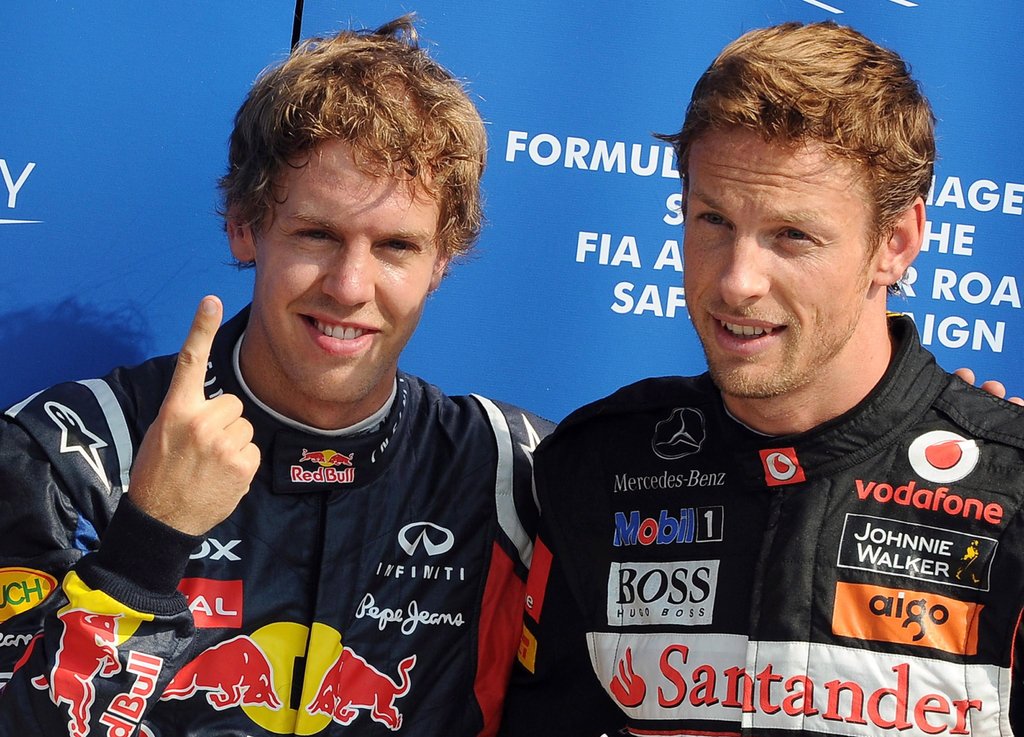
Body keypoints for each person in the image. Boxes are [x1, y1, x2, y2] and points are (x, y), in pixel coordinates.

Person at [0, 16, 550, 737]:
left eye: (396, 246)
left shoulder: (513, 471)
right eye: (317, 234)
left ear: (442, 260)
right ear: (243, 224)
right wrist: (148, 541)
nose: (350, 286)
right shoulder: (70, 453)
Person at [501, 21, 1024, 737]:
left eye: (792, 235)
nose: (737, 281)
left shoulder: (1009, 490)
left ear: (896, 242)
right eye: (713, 220)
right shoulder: (597, 467)